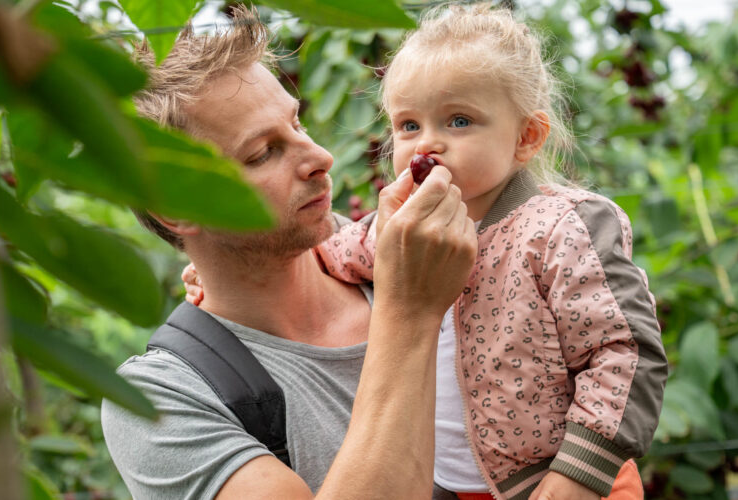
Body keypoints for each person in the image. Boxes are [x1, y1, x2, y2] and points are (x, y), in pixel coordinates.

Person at [100, 6, 479, 499]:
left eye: (297, 124)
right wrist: (411, 312)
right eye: (263, 153)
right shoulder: (162, 398)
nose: (320, 157)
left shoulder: (394, 248)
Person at [303, 4, 667, 500]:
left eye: (459, 121)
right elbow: (329, 253)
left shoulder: (560, 228)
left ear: (526, 137)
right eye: (408, 125)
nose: (427, 145)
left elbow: (625, 351)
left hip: (561, 482)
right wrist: (216, 271)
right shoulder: (405, 229)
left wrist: (580, 473)